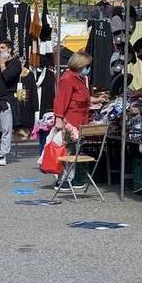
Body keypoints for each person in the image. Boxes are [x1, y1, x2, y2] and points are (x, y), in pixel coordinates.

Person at [52, 51, 93, 191]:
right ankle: (61, 179)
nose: (89, 68)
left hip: (79, 121)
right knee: (66, 150)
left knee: (74, 150)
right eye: (88, 65)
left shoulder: (79, 78)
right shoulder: (68, 78)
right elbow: (61, 100)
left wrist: (95, 100)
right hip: (69, 121)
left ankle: (70, 178)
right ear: (81, 64)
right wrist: (59, 118)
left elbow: (81, 97)